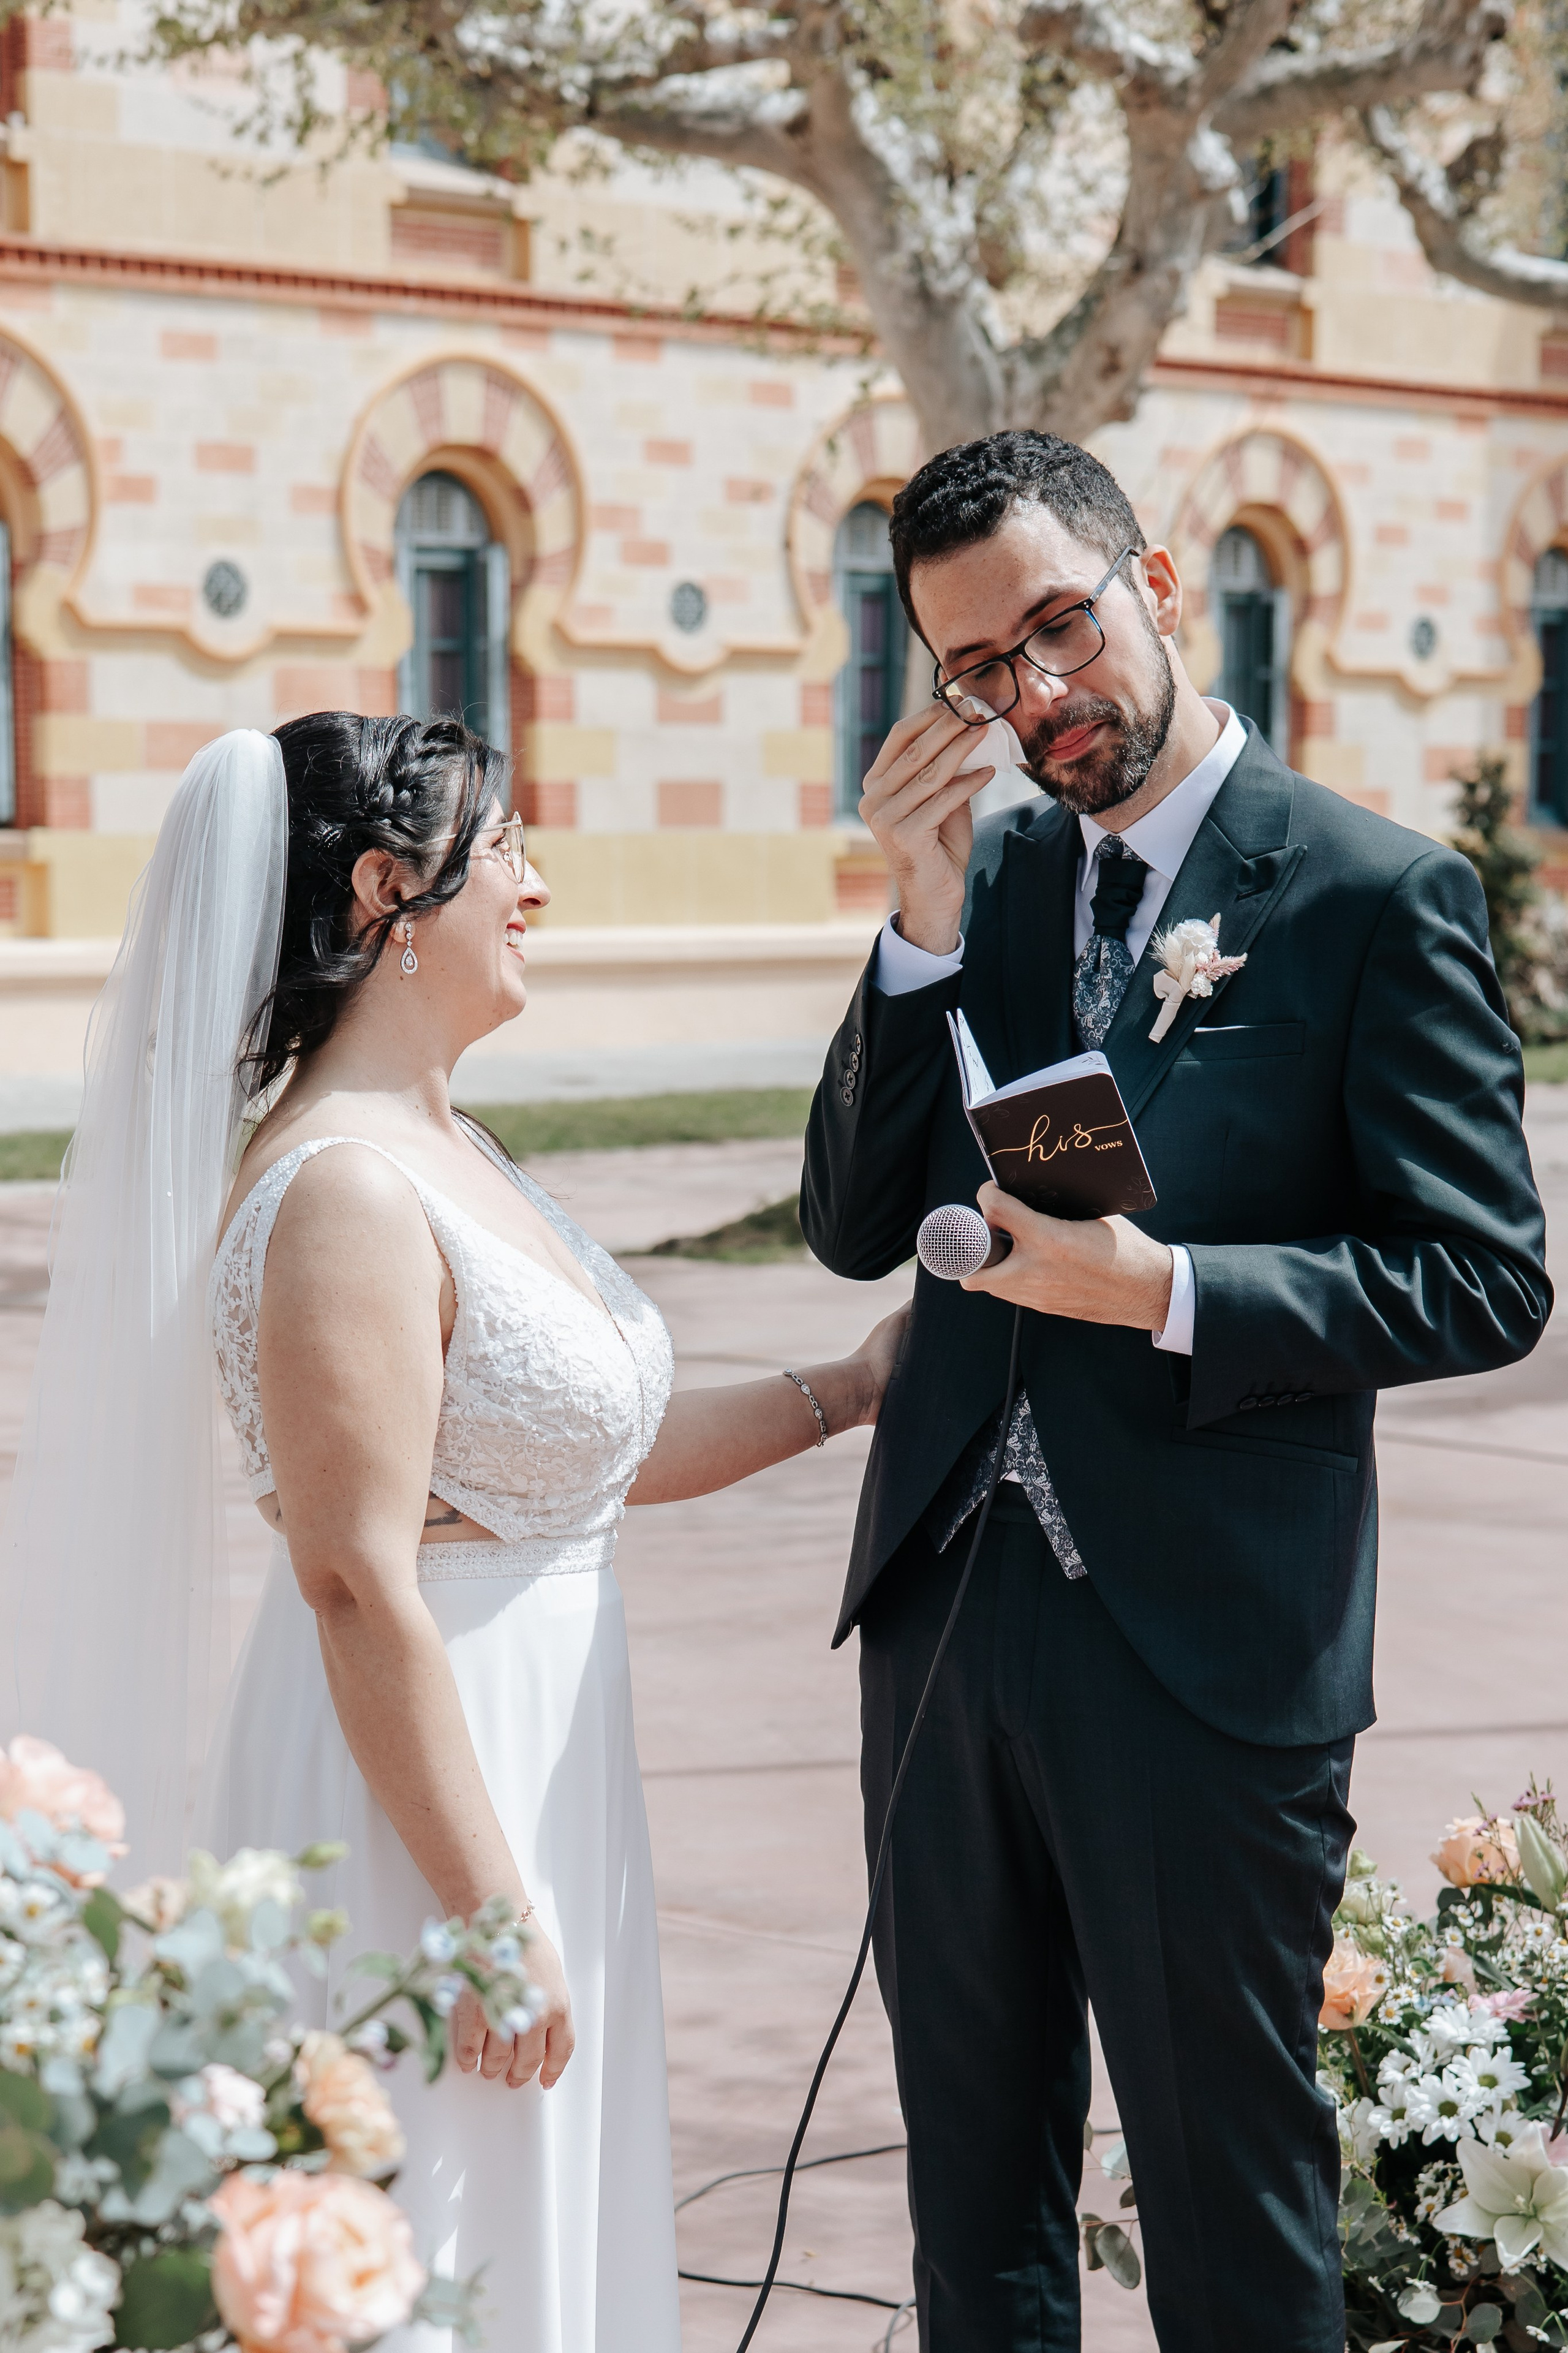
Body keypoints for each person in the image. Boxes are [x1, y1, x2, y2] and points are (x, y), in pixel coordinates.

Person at [2, 713, 905, 2353]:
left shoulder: (451, 1146)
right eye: (505, 854)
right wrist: (487, 1913)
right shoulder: (346, 1189)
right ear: (386, 890)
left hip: (532, 1770)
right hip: (420, 1797)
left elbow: (571, 1461)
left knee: (538, 2217)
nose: (538, 888)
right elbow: (353, 1576)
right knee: (449, 2229)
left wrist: (843, 1388)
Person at [800, 431, 1553, 2351]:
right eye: (980, 670)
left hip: (1211, 1652)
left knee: (1231, 2202)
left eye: (1058, 627)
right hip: (948, 1622)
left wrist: (1174, 1292)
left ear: (1155, 581)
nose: (1034, 694)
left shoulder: (1378, 895)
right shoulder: (998, 872)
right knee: (973, 2203)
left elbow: (1484, 1276)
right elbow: (849, 1219)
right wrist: (918, 917)